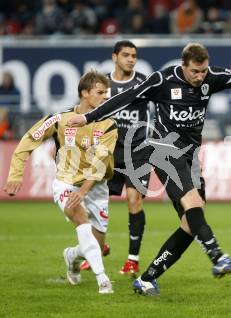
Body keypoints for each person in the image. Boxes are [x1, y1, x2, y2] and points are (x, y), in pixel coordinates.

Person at [67, 42, 231, 296]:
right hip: (163, 150)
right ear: (183, 66)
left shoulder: (211, 77)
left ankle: (147, 278)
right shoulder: (162, 80)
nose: (200, 77)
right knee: (193, 202)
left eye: (203, 71)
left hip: (190, 157)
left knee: (190, 222)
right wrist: (88, 117)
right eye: (195, 72)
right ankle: (218, 257)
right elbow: (126, 97)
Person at [3, 70, 118, 294]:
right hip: (65, 182)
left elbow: (100, 165)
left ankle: (72, 256)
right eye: (100, 92)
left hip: (96, 186)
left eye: (107, 92)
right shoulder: (59, 120)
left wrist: (84, 191)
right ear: (85, 93)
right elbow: (28, 140)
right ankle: (102, 279)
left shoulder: (109, 125)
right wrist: (15, 175)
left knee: (97, 243)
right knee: (78, 215)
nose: (106, 97)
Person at [79, 40, 151, 277]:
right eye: (126, 55)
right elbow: (87, 111)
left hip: (137, 151)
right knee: (94, 204)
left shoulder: (144, 81)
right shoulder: (103, 85)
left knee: (134, 200)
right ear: (114, 57)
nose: (131, 59)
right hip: (107, 152)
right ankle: (98, 248)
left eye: (134, 55)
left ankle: (133, 260)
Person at [0, 71, 20, 139]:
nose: (6, 81)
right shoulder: (0, 89)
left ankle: (3, 133)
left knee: (4, 111)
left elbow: (15, 105)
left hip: (10, 113)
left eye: (7, 79)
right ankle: (3, 133)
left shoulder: (15, 91)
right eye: (4, 79)